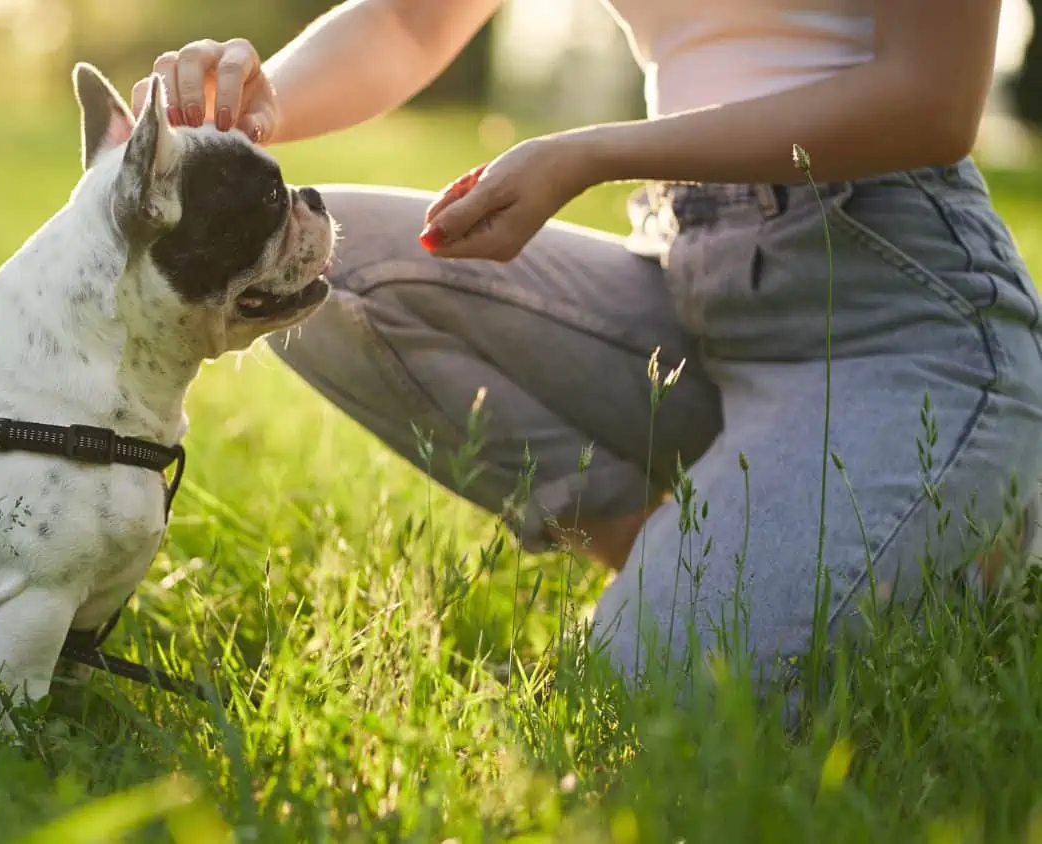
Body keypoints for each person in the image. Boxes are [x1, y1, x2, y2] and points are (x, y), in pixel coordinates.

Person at [134, 1, 1042, 698]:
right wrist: (248, 107)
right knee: (317, 273)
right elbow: (412, 22)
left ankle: (974, 531)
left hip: (896, 317)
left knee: (640, 701)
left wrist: (594, 154)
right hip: (693, 287)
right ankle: (661, 546)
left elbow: (931, 99)